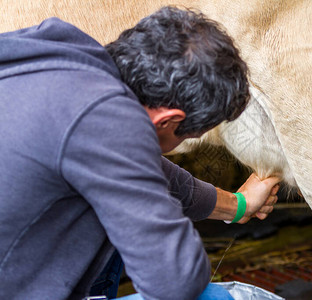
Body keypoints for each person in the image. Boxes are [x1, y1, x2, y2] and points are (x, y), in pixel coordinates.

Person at [0, 6, 280, 300]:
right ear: (167, 120)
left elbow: (146, 172)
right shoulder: (106, 122)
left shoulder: (62, 53)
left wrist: (239, 206)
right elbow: (177, 282)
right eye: (190, 136)